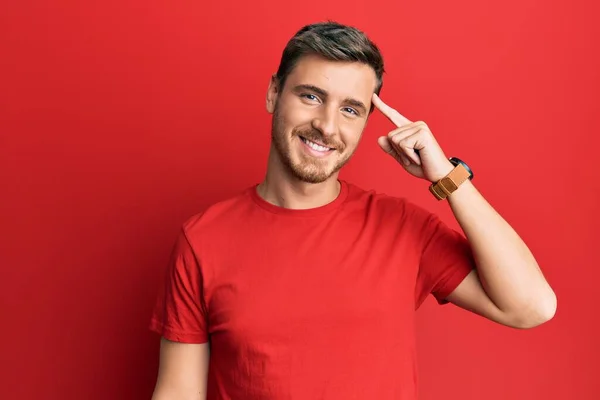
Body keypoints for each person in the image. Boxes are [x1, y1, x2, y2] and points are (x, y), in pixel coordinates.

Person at [149, 21, 556, 400]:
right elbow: (178, 393)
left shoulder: (401, 228)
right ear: (274, 92)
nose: (327, 126)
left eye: (350, 109)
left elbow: (531, 306)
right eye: (311, 96)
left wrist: (447, 177)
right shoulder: (203, 240)